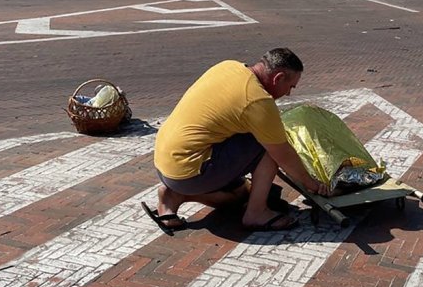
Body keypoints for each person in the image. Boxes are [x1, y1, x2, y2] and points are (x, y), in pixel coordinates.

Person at [142, 48, 332, 235]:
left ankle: (175, 195)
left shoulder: (228, 66)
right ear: (278, 78)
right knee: (269, 146)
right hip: (190, 171)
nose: (289, 94)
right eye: (290, 87)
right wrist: (312, 184)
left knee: (241, 195)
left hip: (165, 162)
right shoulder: (258, 100)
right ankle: (256, 213)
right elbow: (283, 155)